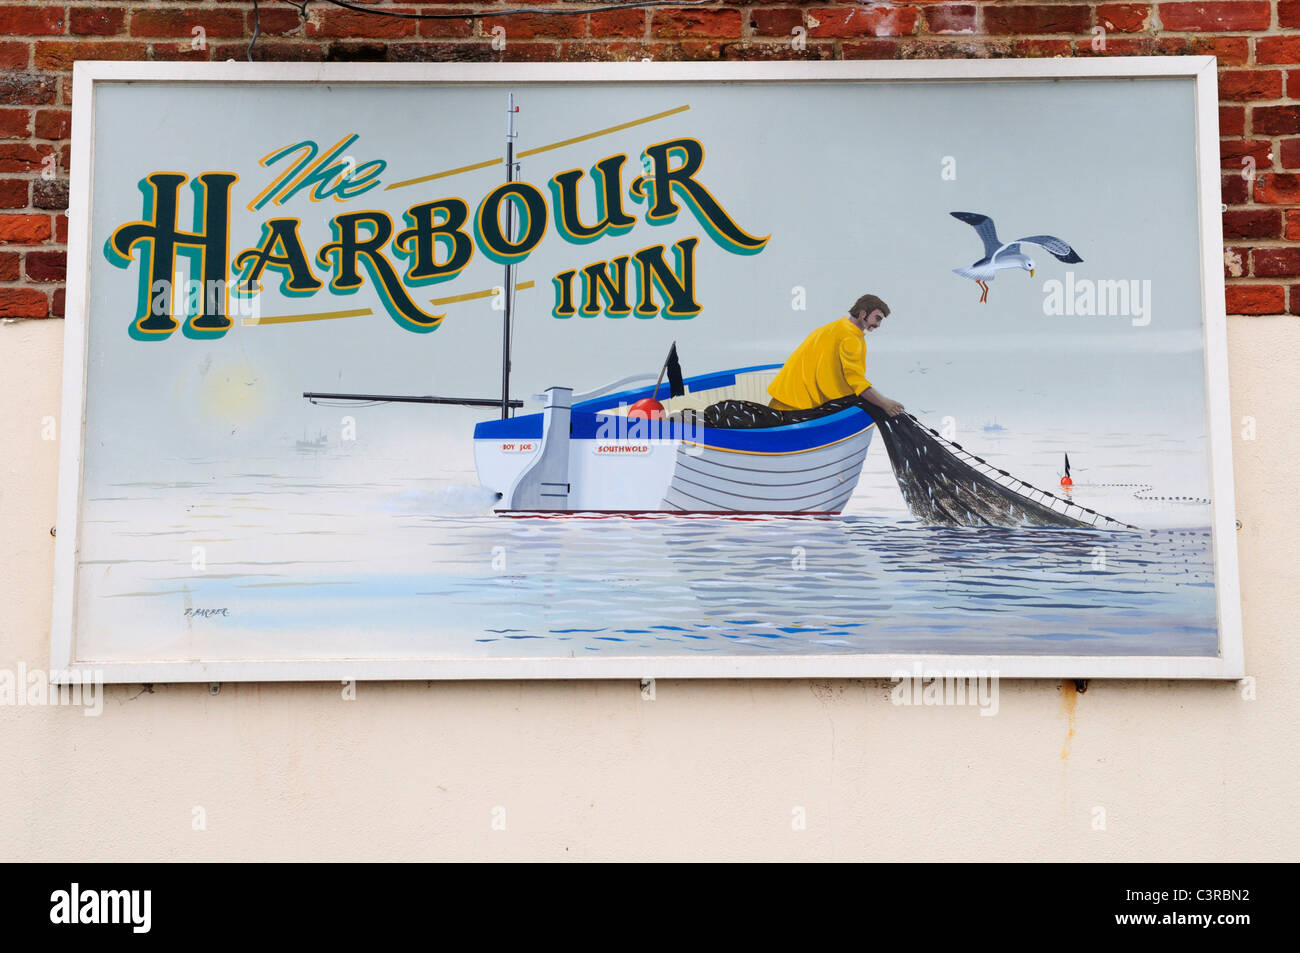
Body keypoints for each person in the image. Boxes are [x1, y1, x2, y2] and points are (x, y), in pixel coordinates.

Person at [767, 294, 906, 417]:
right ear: (863, 314)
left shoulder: (835, 327)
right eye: (877, 318)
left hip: (782, 401)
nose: (878, 325)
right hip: (799, 409)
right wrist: (885, 403)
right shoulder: (850, 338)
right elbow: (856, 380)